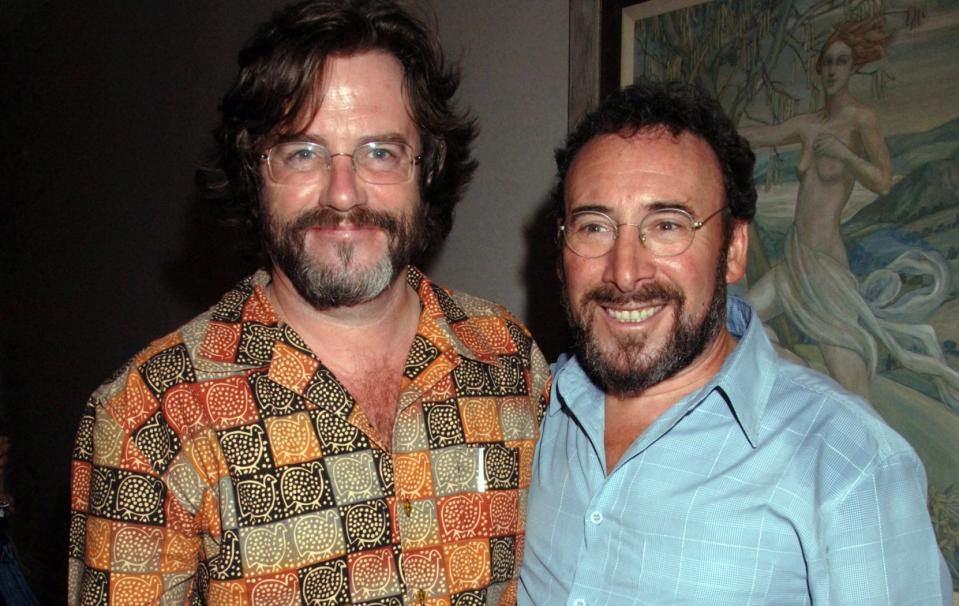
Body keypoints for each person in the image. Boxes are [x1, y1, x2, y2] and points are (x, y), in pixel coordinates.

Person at [68, 1, 549, 603]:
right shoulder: (151, 416)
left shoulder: (508, 360)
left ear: (427, 169)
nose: (343, 194)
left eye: (380, 152)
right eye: (302, 152)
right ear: (254, 172)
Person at [518, 80, 952, 604]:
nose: (625, 272)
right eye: (594, 227)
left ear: (733, 251)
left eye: (667, 225)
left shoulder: (850, 463)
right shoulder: (532, 408)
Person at [740, 17, 959, 407]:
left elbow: (883, 180)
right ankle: (806, 388)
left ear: (853, 68)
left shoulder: (861, 120)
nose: (831, 70)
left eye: (840, 62)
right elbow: (757, 136)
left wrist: (843, 154)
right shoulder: (809, 124)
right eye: (826, 62)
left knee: (858, 397)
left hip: (826, 269)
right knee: (736, 325)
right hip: (794, 261)